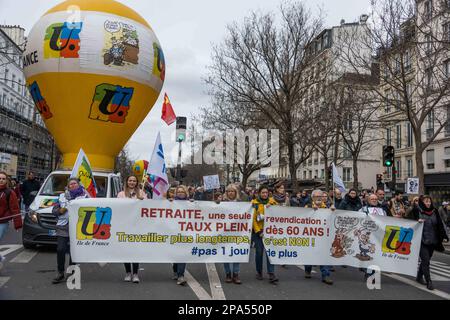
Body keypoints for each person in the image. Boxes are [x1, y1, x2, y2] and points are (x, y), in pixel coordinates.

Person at [51, 178, 89, 284]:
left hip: (78, 227)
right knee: (60, 249)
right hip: (63, 227)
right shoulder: (61, 196)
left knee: (74, 250)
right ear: (68, 186)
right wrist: (60, 210)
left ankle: (72, 271)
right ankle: (60, 272)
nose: (73, 185)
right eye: (71, 184)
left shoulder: (85, 196)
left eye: (75, 183)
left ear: (78, 184)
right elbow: (54, 211)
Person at [407, 195, 449, 290]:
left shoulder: (435, 211)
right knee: (425, 260)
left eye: (429, 201)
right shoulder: (416, 211)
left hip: (433, 240)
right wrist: (416, 221)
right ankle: (429, 281)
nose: (428, 203)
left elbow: (440, 224)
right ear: (422, 202)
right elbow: (407, 221)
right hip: (421, 240)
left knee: (426, 260)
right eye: (426, 201)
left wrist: (445, 236)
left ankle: (419, 276)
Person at [117, 175, 148, 284]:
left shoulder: (142, 193)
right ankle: (128, 272)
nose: (132, 182)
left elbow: (147, 208)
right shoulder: (121, 194)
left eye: (134, 181)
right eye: (130, 180)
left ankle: (135, 274)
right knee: (126, 250)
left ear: (137, 182)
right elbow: (118, 208)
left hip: (137, 226)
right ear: (127, 181)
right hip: (125, 226)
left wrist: (142, 201)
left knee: (135, 250)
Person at [304, 189, 334, 285]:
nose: (318, 198)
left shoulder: (327, 208)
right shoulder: (307, 207)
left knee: (324, 255)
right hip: (310, 235)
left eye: (320, 197)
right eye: (316, 197)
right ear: (312, 198)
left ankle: (326, 275)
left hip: (323, 236)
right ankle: (307, 269)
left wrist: (333, 211)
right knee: (310, 253)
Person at [252, 185, 279, 284]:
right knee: (259, 253)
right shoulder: (254, 203)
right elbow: (254, 219)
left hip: (270, 231)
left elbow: (280, 213)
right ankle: (259, 272)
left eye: (266, 193)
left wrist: (272, 206)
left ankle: (271, 273)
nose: (264, 194)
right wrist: (258, 231)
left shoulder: (272, 202)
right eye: (262, 192)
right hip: (259, 232)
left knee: (270, 252)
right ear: (259, 193)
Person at [170, 185, 192, 286]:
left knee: (182, 254)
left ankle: (180, 276)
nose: (180, 193)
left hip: (186, 232)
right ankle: (175, 270)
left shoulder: (191, 203)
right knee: (176, 255)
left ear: (186, 193)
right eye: (178, 192)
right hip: (173, 232)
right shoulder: (171, 202)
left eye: (182, 192)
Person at [0, 172, 22, 271]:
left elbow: (15, 208)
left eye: (3, 179)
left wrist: (17, 224)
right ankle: (1, 258)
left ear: (6, 180)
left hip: (3, 222)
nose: (1, 180)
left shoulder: (10, 192)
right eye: (0, 178)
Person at [221, 184, 242, 284]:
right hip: (225, 232)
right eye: (228, 191)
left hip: (237, 232)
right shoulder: (222, 203)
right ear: (226, 193)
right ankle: (228, 274)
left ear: (235, 192)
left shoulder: (241, 203)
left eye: (232, 191)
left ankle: (236, 274)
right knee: (225, 253)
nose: (230, 193)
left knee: (236, 252)